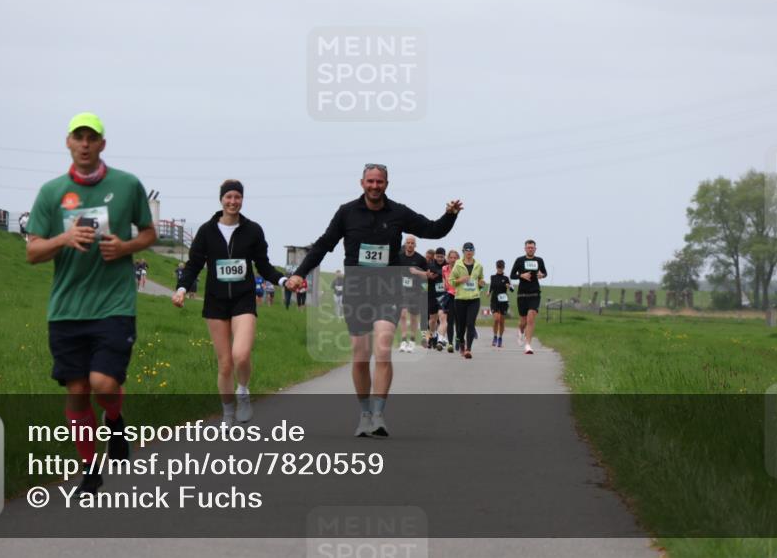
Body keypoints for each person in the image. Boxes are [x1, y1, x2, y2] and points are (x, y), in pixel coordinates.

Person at [26, 112, 157, 497]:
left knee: (103, 382)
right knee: (78, 390)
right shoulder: (51, 193)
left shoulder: (127, 185)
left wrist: (125, 247)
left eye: (92, 137)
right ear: (68, 142)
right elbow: (33, 252)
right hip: (66, 308)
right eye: (78, 137)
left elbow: (149, 233)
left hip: (114, 305)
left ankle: (115, 421)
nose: (85, 144)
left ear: (102, 144)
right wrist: (63, 240)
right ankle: (89, 469)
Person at [284, 164, 462, 437]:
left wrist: (450, 214)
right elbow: (322, 246)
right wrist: (299, 274)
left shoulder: (398, 213)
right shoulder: (347, 213)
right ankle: (365, 412)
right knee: (359, 356)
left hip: (387, 289)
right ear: (362, 183)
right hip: (356, 291)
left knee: (382, 350)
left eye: (380, 181)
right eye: (370, 181)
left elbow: (434, 229)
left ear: (387, 184)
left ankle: (378, 414)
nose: (375, 186)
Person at [172, 180, 287, 425]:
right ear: (221, 200)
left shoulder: (253, 230)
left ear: (242, 200)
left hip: (243, 299)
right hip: (215, 301)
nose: (233, 201)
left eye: (237, 197)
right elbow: (193, 265)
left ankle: (243, 391)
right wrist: (181, 289)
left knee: (241, 355)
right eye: (228, 197)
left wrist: (284, 280)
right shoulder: (206, 231)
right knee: (225, 364)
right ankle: (227, 413)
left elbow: (263, 265)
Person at [511, 239, 548, 355]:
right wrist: (521, 275)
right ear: (525, 248)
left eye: (532, 247)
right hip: (522, 294)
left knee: (531, 317)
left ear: (535, 249)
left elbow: (545, 273)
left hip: (535, 293)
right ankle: (521, 331)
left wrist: (542, 275)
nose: (530, 249)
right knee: (523, 321)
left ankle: (528, 345)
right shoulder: (519, 260)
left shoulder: (539, 260)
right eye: (528, 247)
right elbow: (512, 275)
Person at [449, 242, 485, 359]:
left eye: (471, 250)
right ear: (463, 252)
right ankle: (462, 344)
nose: (469, 252)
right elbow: (451, 281)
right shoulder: (458, 265)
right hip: (460, 299)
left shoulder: (478, 265)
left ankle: (469, 349)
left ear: (474, 251)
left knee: (470, 323)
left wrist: (481, 284)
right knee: (461, 325)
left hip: (474, 298)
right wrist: (461, 280)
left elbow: (481, 280)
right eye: (466, 250)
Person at [397, 235, 429, 353]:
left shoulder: (420, 259)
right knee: (403, 314)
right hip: (402, 290)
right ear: (405, 244)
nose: (410, 245)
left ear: (415, 245)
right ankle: (404, 340)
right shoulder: (399, 257)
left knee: (414, 317)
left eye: (412, 243)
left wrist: (417, 271)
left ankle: (412, 341)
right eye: (408, 243)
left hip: (416, 291)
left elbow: (427, 274)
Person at [489, 260, 513, 347]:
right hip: (494, 300)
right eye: (499, 267)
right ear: (496, 267)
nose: (500, 269)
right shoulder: (493, 277)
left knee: (502, 321)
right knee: (496, 319)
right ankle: (495, 336)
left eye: (501, 267)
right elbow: (490, 287)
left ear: (503, 267)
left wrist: (509, 286)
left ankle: (500, 338)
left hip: (503, 301)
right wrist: (488, 292)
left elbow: (512, 289)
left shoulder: (506, 277)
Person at [440, 249, 459, 352]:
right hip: (450, 296)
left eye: (455, 258)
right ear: (448, 258)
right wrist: (444, 286)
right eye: (451, 257)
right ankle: (450, 343)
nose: (452, 260)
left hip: (460, 297)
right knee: (449, 321)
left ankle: (458, 339)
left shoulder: (461, 269)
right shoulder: (444, 268)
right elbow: (444, 278)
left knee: (459, 321)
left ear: (458, 259)